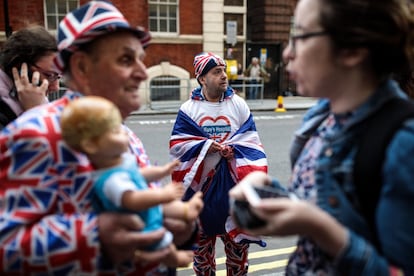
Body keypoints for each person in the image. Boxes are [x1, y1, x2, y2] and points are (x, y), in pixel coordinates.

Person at [0, 1, 199, 274]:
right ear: (81, 68)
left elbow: (135, 201)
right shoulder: (35, 132)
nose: (143, 73)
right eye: (126, 60)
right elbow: (6, 246)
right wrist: (95, 235)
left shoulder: (124, 133)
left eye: (141, 59)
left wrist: (176, 225)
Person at [229, 0, 414, 275]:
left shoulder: (403, 143)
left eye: (300, 37)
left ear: (351, 51)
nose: (288, 53)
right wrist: (267, 189)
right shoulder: (322, 117)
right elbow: (330, 199)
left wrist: (319, 228)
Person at [60, 95, 204, 268]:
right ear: (91, 145)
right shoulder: (109, 179)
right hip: (139, 219)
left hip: (148, 208)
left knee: (166, 207)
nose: (123, 132)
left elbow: (140, 174)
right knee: (161, 243)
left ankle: (187, 210)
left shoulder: (121, 161)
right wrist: (161, 195)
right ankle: (175, 259)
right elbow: (131, 200)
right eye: (115, 131)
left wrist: (162, 171)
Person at [169, 52, 268, 275]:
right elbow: (177, 145)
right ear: (202, 79)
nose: (224, 75)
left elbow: (251, 141)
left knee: (237, 254)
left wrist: (235, 149)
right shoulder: (188, 110)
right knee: (202, 258)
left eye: (223, 70)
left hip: (233, 192)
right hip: (200, 194)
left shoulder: (238, 104)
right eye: (217, 72)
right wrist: (204, 146)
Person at [0, 24, 60, 130]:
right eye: (49, 75)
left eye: (58, 77)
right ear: (21, 69)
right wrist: (33, 113)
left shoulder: (37, 99)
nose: (56, 87)